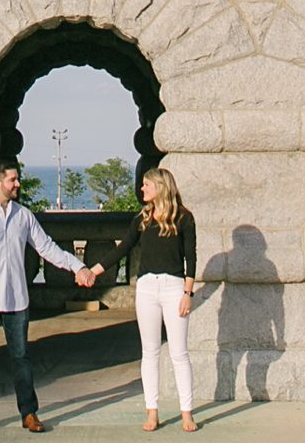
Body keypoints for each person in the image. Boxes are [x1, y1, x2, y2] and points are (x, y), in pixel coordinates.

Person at [0, 160, 100, 434]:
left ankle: (29, 413)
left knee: (21, 358)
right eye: (13, 179)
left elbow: (47, 248)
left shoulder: (23, 216)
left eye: (17, 179)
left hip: (16, 300)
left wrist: (77, 267)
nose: (18, 184)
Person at [83, 167, 200, 433]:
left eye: (147, 185)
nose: (142, 189)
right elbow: (122, 248)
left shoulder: (184, 218)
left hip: (174, 288)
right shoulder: (142, 218)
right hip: (147, 288)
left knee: (179, 353)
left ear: (160, 186)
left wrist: (187, 293)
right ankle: (152, 411)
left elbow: (191, 258)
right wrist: (93, 271)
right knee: (149, 352)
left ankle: (187, 412)